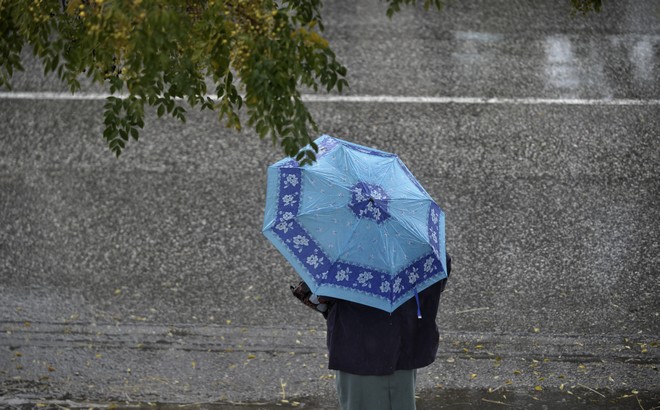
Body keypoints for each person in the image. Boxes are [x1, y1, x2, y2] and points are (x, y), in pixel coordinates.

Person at [324, 254, 452, 410]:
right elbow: (439, 273)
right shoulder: (418, 242)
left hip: (357, 350)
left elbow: (326, 291)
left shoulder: (345, 247)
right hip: (402, 346)